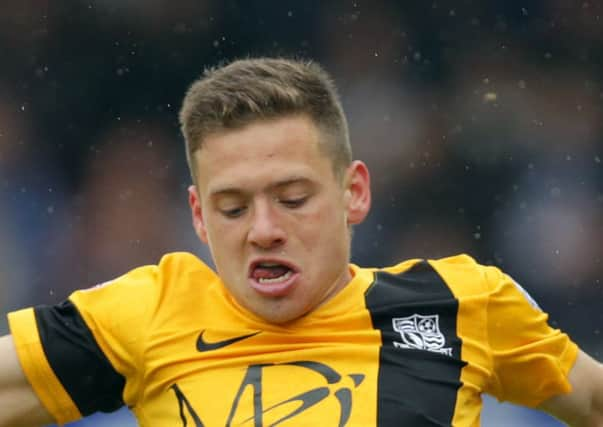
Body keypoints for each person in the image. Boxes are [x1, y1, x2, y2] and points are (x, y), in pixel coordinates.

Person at [0, 57, 602, 427]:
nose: (264, 229)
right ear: (199, 217)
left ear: (354, 193)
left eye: (293, 199)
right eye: (232, 208)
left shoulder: (462, 304)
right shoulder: (144, 312)